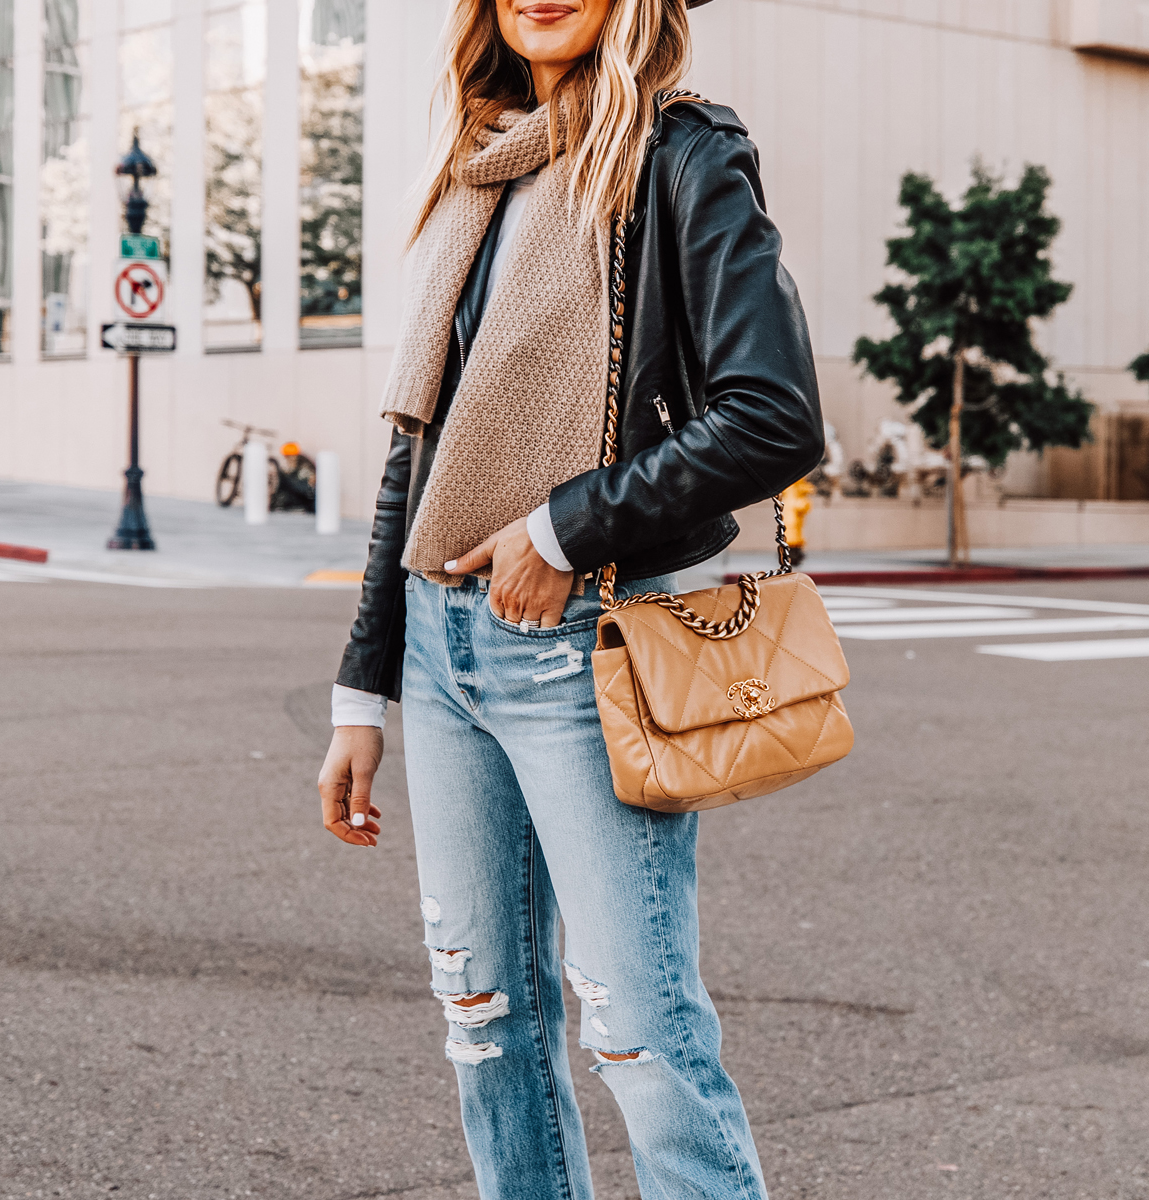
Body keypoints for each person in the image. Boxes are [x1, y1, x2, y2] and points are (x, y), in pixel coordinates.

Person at [317, 1, 822, 1195]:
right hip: (447, 652)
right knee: (485, 1020)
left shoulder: (682, 154)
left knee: (641, 1038)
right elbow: (420, 454)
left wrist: (563, 523)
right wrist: (362, 683)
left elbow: (774, 416)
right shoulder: (475, 168)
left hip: (585, 646)